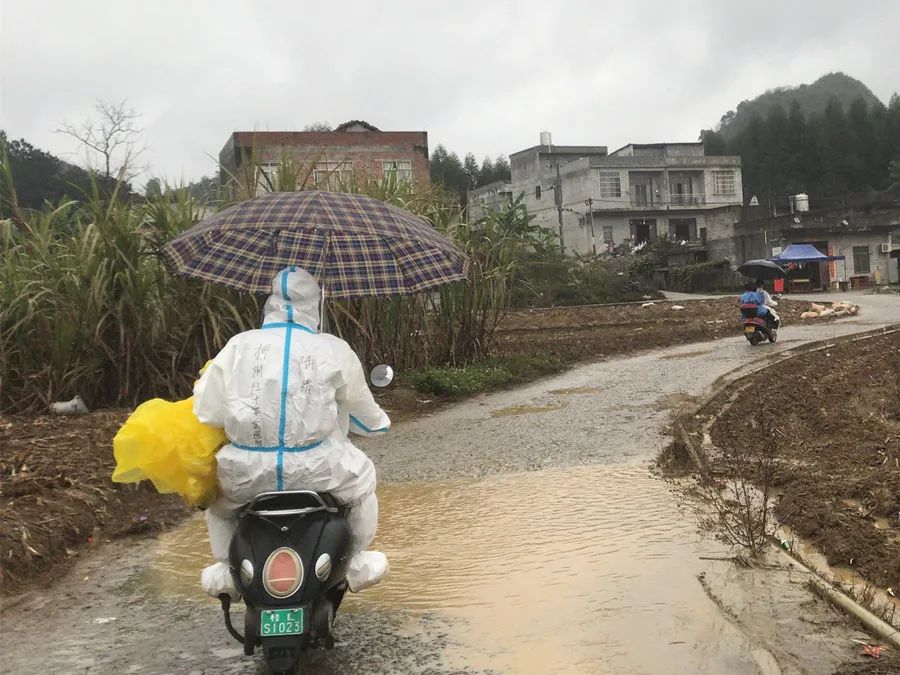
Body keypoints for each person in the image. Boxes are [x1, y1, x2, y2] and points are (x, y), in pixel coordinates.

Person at [193, 267, 390, 598]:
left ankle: (226, 571)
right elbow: (365, 414)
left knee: (217, 504)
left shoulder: (237, 346)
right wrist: (379, 423)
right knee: (364, 480)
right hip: (318, 470)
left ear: (270, 302)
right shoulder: (332, 348)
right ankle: (356, 561)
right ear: (316, 304)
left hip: (245, 472)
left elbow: (207, 413)